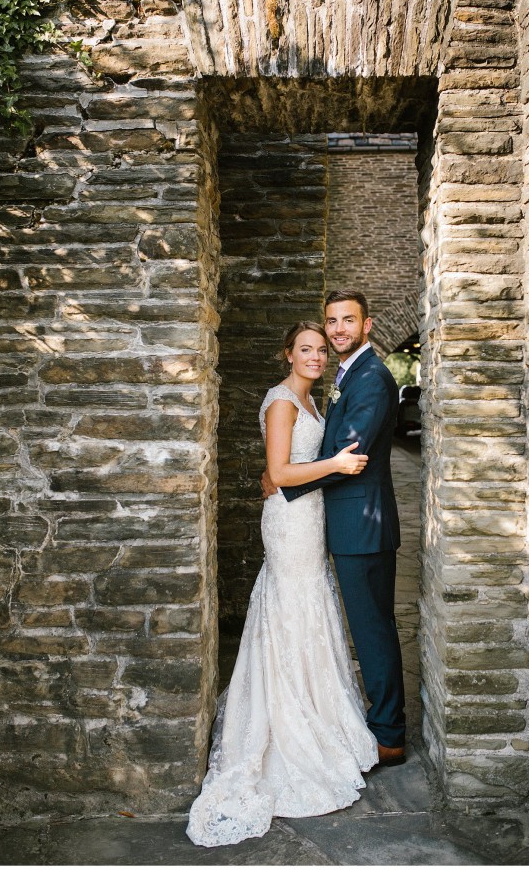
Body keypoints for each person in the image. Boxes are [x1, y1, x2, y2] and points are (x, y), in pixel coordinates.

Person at [186, 321, 378, 848]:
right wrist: (335, 463)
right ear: (287, 353)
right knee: (292, 605)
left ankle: (317, 711)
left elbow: (288, 471)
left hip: (310, 516)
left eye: (321, 350)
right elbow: (279, 470)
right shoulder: (282, 403)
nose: (315, 357)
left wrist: (315, 469)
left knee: (311, 603)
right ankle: (290, 723)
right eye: (306, 349)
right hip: (290, 522)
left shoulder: (312, 402)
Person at [264, 289, 406, 766]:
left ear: (366, 326)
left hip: (362, 524)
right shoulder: (347, 376)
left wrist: (283, 482)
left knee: (372, 630)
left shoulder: (372, 379)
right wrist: (283, 475)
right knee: (362, 625)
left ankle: (388, 734)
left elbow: (352, 457)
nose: (339, 329)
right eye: (332, 321)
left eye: (348, 320)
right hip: (339, 521)